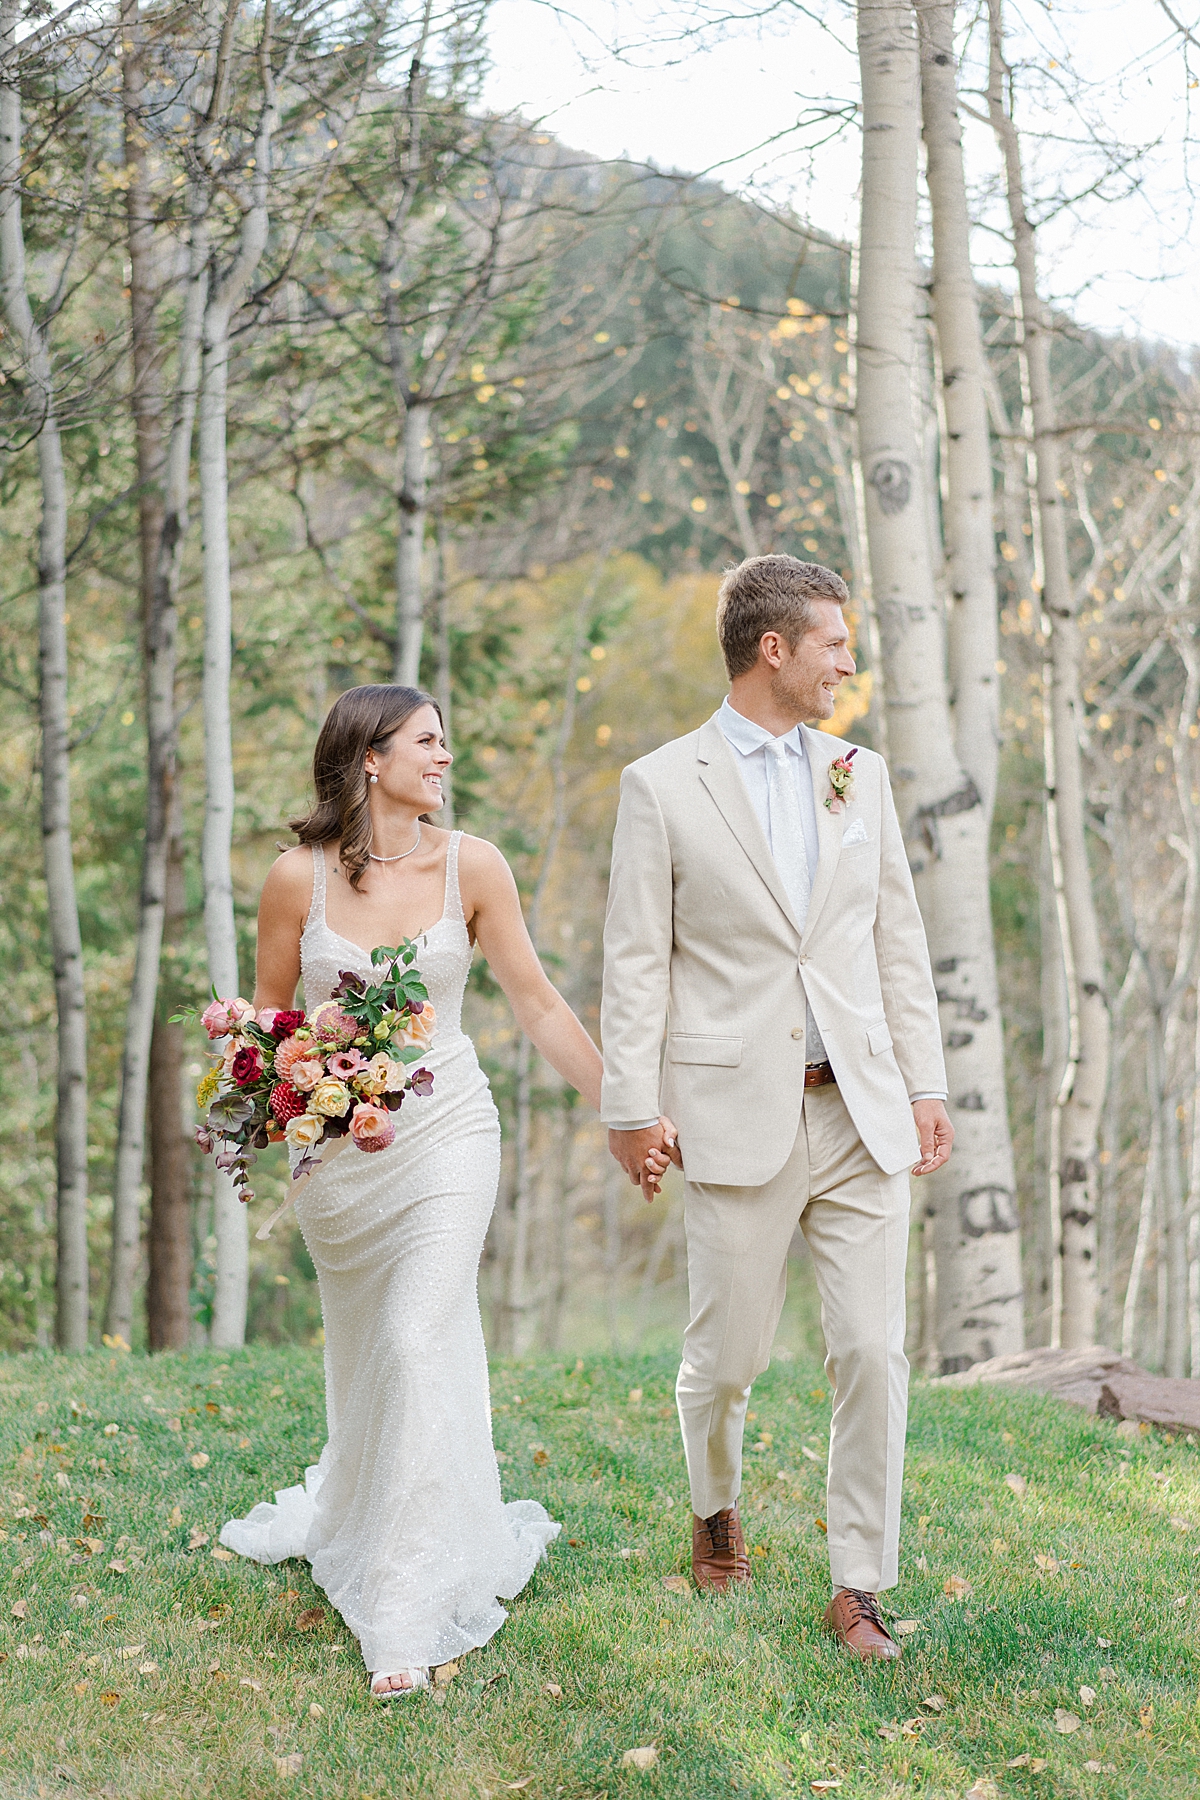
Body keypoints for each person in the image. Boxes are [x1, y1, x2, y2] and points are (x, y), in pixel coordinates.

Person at [220, 684, 614, 1698]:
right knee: (372, 1350)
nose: (444, 758)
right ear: (369, 759)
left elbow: (534, 999)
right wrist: (290, 1099)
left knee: (414, 1333)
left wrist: (626, 1107)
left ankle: (403, 1611)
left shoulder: (471, 866)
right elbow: (269, 1030)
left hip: (447, 1130)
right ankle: (359, 1511)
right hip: (340, 1165)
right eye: (427, 742)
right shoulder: (292, 879)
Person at [600, 555, 952, 1661]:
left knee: (871, 1350)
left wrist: (925, 1081)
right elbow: (634, 964)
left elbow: (897, 939)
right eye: (835, 644)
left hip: (859, 1112)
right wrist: (630, 1107)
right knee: (727, 1360)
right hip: (728, 1111)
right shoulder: (661, 785)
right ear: (774, 650)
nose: (848, 662)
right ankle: (715, 1512)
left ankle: (859, 1587)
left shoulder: (862, 774)